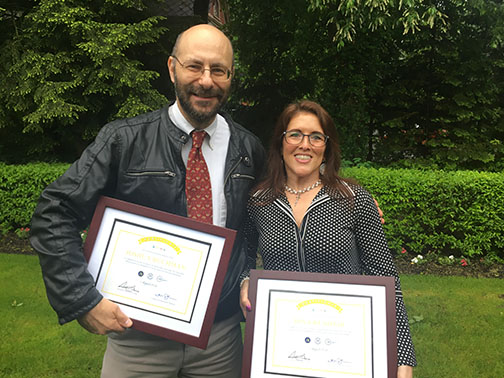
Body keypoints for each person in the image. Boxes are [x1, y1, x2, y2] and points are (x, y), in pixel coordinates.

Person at [30, 24, 266, 377]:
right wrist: (81, 300)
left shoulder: (248, 150)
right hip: (138, 338)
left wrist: (345, 202)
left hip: (220, 339)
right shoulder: (124, 141)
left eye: (219, 70)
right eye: (194, 66)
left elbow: (266, 219)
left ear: (231, 76)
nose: (206, 80)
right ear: (172, 68)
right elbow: (54, 212)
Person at [239, 100, 416, 378]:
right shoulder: (259, 202)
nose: (304, 144)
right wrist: (245, 280)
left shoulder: (353, 200)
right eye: (295, 134)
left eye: (316, 136)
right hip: (284, 348)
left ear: (327, 146)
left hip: (347, 347)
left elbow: (386, 279)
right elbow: (245, 254)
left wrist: (402, 357)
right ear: (281, 141)